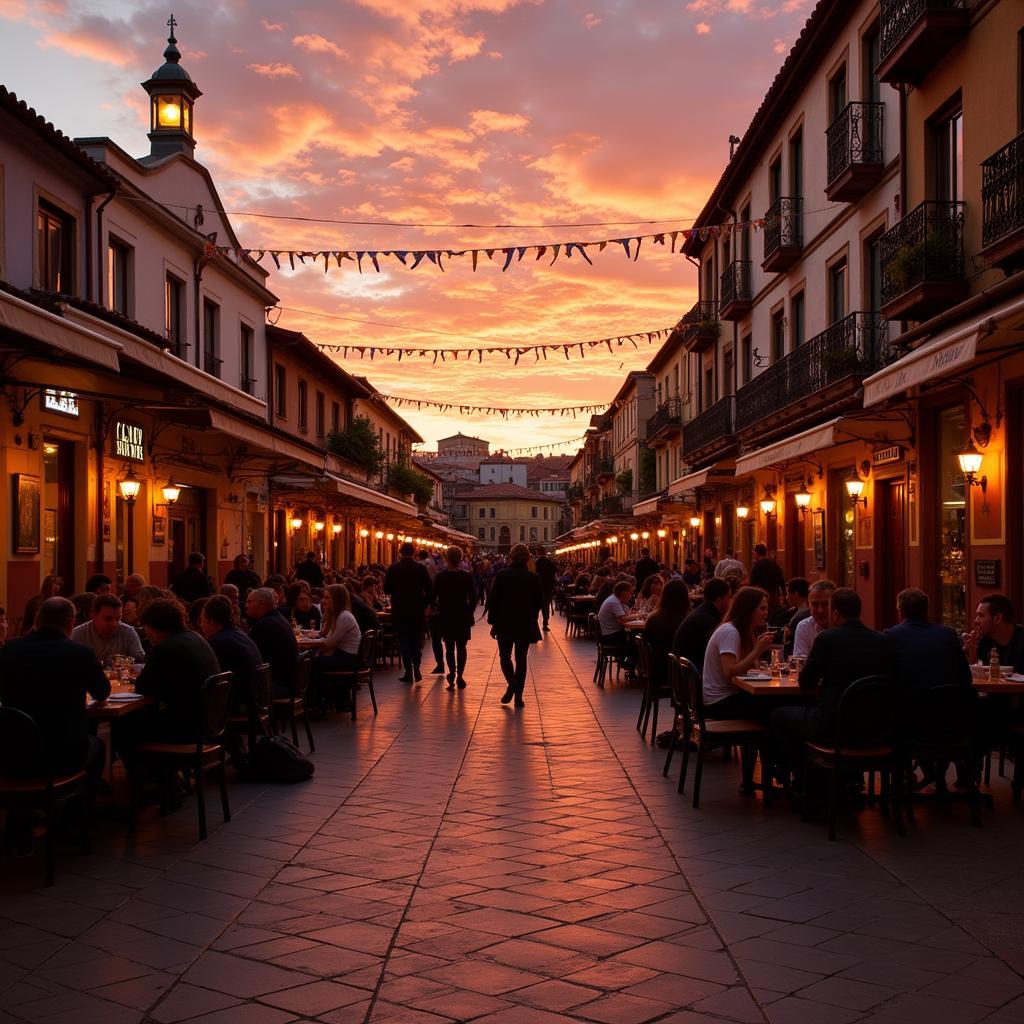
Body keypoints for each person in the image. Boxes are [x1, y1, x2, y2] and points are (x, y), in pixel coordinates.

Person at [0, 597, 110, 854]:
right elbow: (102, 692)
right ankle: (73, 822)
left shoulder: (10, 650)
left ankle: (19, 830)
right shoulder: (79, 653)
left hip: (12, 755)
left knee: (27, 746)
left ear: (38, 621)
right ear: (71, 623)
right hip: (62, 756)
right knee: (97, 746)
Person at [771, 588, 896, 768]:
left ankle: (801, 777)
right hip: (875, 728)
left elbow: (806, 681)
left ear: (835, 613)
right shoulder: (882, 640)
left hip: (835, 727)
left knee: (778, 715)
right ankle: (845, 777)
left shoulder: (827, 638)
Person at [117, 598, 222, 763]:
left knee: (122, 725)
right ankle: (162, 777)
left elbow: (144, 687)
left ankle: (147, 781)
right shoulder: (196, 638)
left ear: (151, 628)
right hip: (209, 723)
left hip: (185, 729)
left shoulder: (165, 648)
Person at [701, 586, 775, 721]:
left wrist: (756, 649)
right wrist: (757, 651)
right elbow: (729, 672)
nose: (766, 613)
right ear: (748, 610)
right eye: (762, 609)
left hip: (728, 696)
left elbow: (751, 665)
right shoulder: (730, 632)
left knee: (773, 704)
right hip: (719, 702)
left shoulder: (744, 630)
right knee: (774, 709)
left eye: (766, 609)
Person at [487, 544, 544, 708]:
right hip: (525, 623)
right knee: (521, 659)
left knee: (504, 657)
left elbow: (493, 601)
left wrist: (493, 622)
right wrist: (532, 615)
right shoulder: (534, 577)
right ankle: (518, 695)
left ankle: (512, 685)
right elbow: (540, 601)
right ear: (528, 559)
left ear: (510, 557)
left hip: (504, 623)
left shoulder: (502, 575)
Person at [887, 588, 971, 692]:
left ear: (901, 612)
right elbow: (966, 676)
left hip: (908, 703)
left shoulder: (891, 636)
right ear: (927, 611)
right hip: (948, 703)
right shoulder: (948, 634)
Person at [200, 595, 263, 714]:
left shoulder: (218, 642)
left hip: (241, 703)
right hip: (256, 697)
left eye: (202, 620)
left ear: (211, 621)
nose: (201, 625)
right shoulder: (238, 634)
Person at [384, 542, 433, 683]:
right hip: (417, 609)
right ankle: (417, 666)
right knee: (416, 639)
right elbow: (429, 589)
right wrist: (427, 605)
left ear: (400, 552)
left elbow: (386, 589)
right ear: (414, 552)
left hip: (399, 609)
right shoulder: (420, 568)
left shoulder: (393, 569)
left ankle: (408, 671)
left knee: (403, 639)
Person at [433, 546, 477, 690]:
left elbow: (433, 597)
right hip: (462, 616)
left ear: (446, 558)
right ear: (461, 558)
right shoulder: (467, 576)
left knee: (449, 647)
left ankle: (451, 674)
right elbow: (474, 597)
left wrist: (436, 609)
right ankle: (460, 675)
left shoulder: (440, 577)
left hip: (446, 616)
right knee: (462, 647)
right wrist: (469, 612)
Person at [246, 587, 298, 698]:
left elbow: (249, 656)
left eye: (249, 602)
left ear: (262, 605)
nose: (246, 605)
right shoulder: (279, 618)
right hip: (290, 682)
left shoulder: (264, 625)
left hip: (278, 685)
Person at [673, 577, 731, 675]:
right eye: (728, 597)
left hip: (682, 677)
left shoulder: (701, 612)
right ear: (719, 598)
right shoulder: (709, 622)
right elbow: (719, 656)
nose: (730, 602)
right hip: (694, 679)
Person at [642, 579, 691, 691]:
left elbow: (645, 640)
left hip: (656, 670)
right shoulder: (687, 620)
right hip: (675, 673)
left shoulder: (653, 619)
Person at [71, 593, 146, 665]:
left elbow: (140, 661)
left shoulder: (128, 632)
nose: (114, 624)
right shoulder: (77, 635)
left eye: (118, 619)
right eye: (108, 619)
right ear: (93, 615)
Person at [308, 585, 362, 682]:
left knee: (309, 663)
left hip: (348, 659)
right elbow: (325, 636)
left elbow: (329, 643)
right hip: (342, 656)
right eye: (323, 597)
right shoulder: (336, 616)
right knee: (309, 660)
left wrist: (309, 642)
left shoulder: (344, 617)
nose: (323, 601)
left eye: (327, 598)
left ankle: (318, 694)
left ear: (337, 600)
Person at [964, 594, 1024, 673]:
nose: (976, 621)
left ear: (997, 618)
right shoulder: (985, 640)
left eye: (981, 616)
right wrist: (972, 653)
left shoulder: (1021, 640)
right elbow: (977, 676)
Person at [792, 580, 836, 659]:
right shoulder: (804, 627)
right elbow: (800, 663)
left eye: (825, 604)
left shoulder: (845, 626)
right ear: (809, 605)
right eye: (815, 604)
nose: (820, 610)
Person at [598, 581, 635, 650]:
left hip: (609, 633)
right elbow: (623, 619)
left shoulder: (614, 599)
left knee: (634, 637)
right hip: (611, 636)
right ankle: (634, 659)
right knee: (636, 642)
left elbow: (625, 614)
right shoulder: (614, 602)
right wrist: (640, 615)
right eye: (630, 592)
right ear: (624, 592)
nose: (631, 595)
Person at [782, 578, 811, 655]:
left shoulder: (801, 617)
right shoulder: (793, 612)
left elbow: (790, 643)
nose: (786, 597)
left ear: (796, 594)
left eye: (787, 594)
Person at [535, 547, 557, 632]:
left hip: (537, 589)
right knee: (545, 608)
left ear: (538, 553)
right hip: (547, 589)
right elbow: (553, 576)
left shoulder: (535, 563)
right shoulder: (550, 563)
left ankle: (535, 624)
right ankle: (545, 624)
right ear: (544, 553)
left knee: (536, 608)